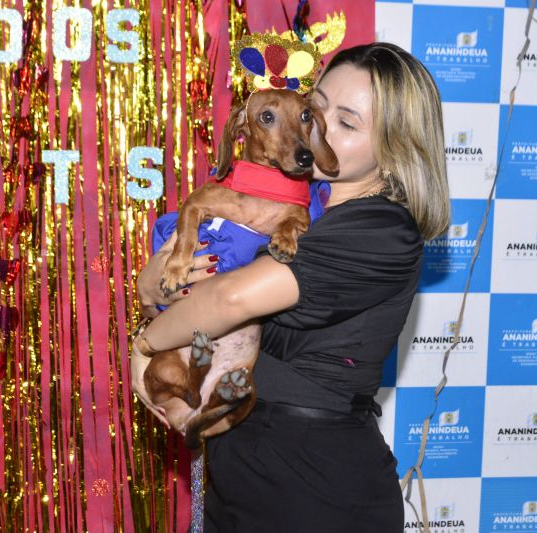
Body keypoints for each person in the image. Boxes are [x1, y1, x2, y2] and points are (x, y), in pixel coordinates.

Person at [130, 42, 450, 533]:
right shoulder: (290, 210)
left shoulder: (381, 229)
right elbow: (199, 316)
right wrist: (151, 290)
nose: (312, 130)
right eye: (316, 110)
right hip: (237, 479)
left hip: (317, 491)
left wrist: (146, 344)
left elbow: (230, 299)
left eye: (347, 123)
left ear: (394, 146)